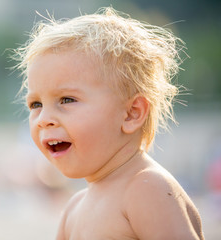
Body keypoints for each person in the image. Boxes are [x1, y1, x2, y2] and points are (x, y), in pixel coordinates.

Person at [12, 7, 204, 240]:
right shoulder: (74, 208)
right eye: (36, 105)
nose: (44, 119)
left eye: (67, 99)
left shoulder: (146, 189)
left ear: (131, 114)